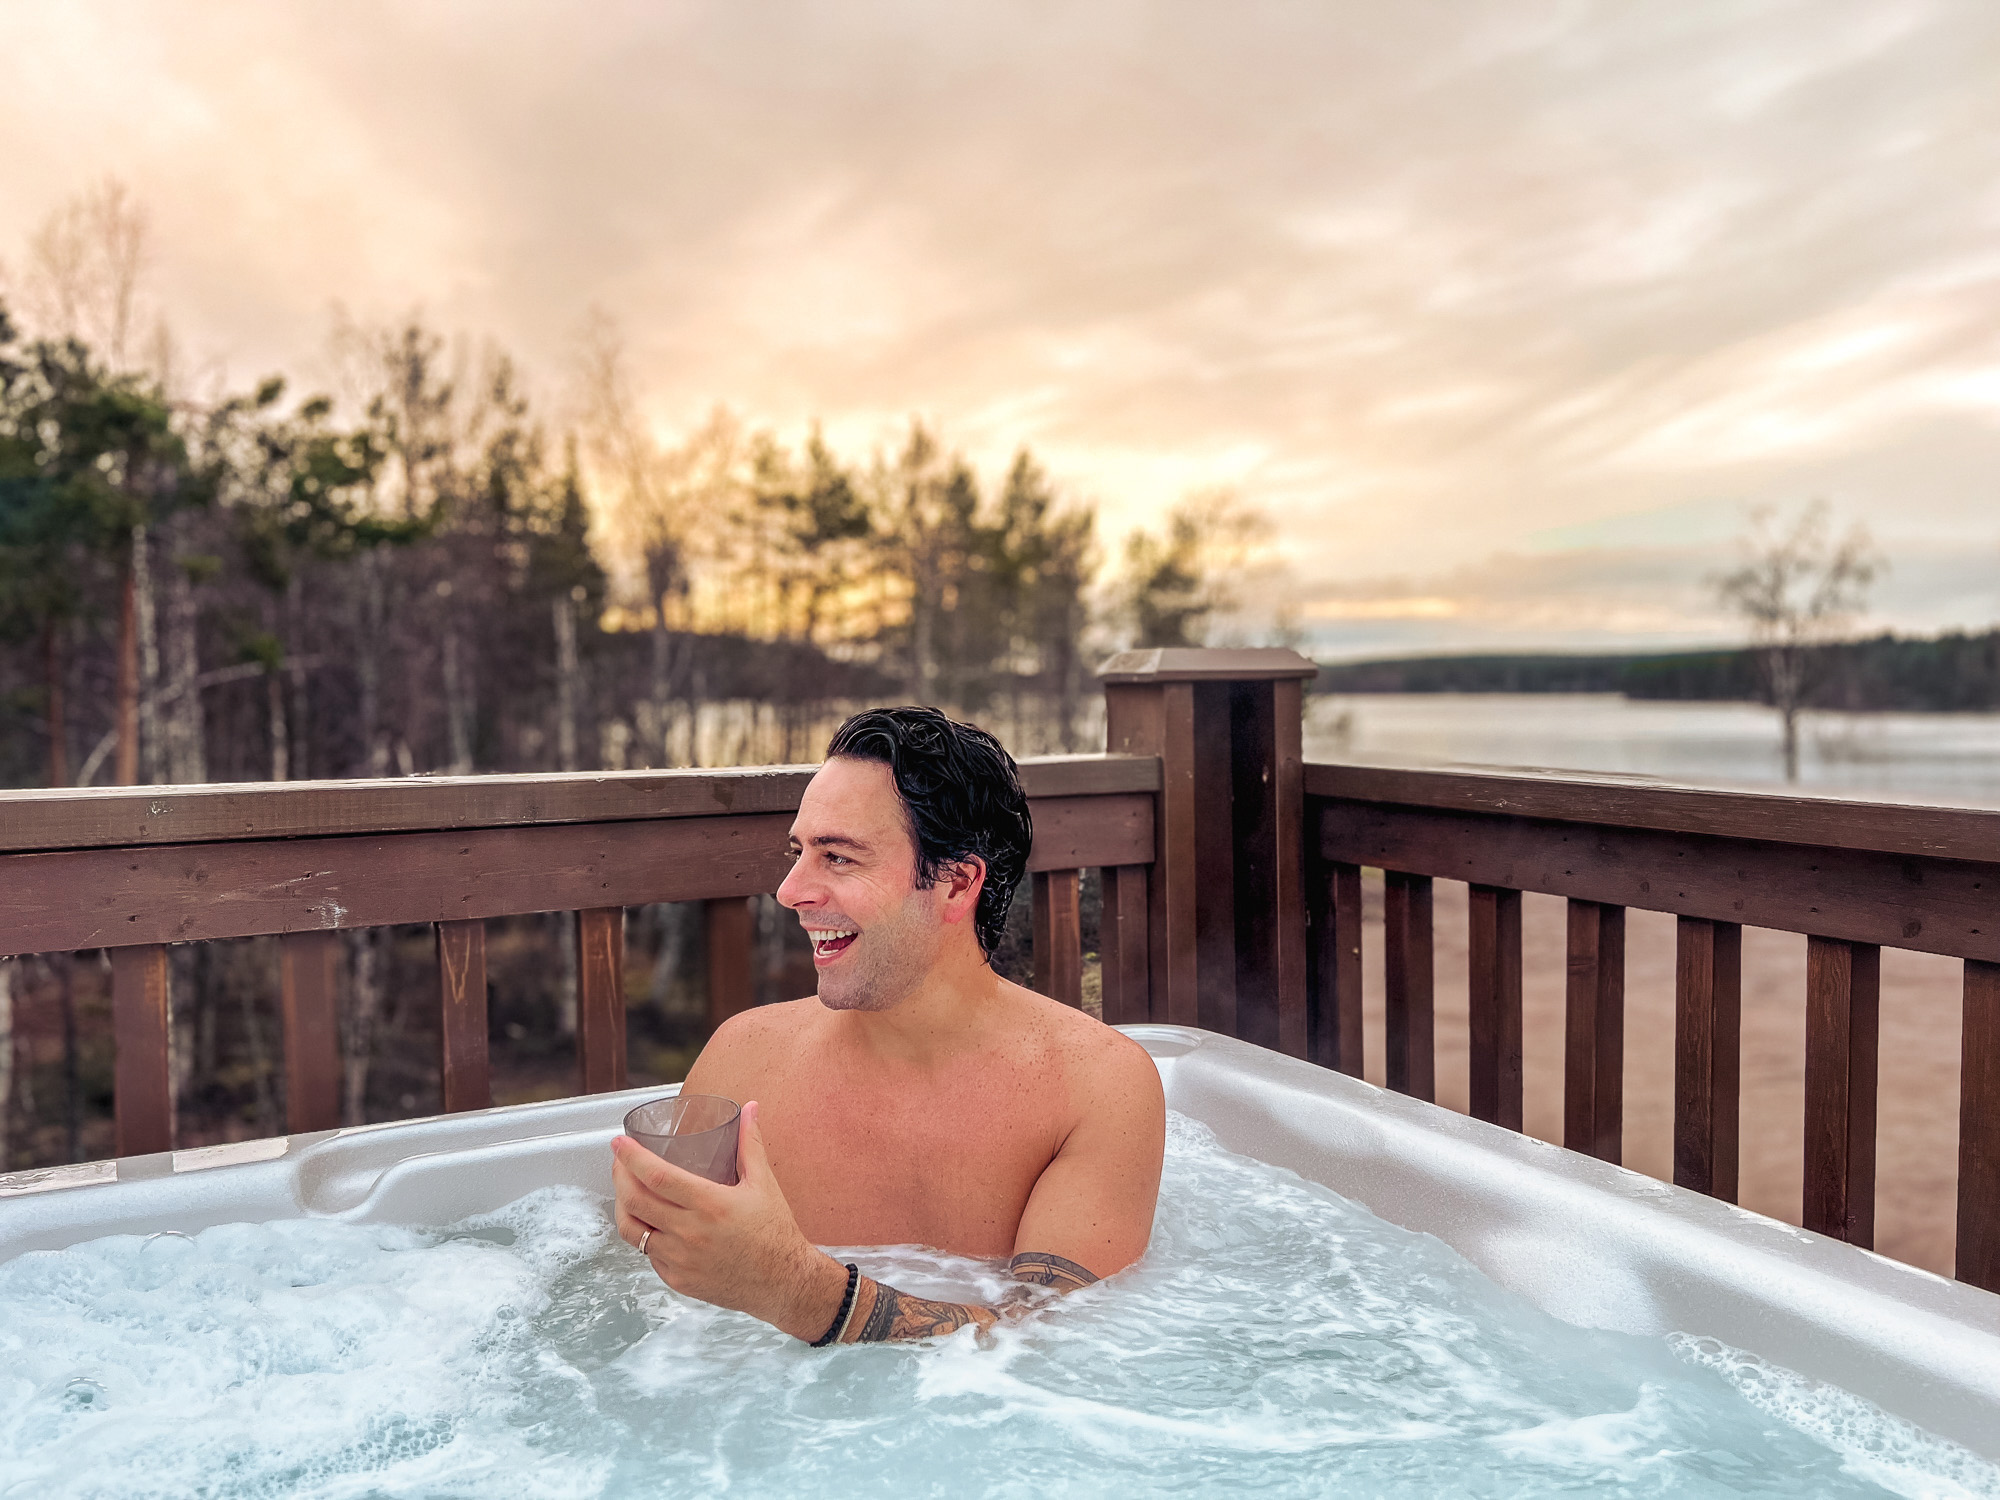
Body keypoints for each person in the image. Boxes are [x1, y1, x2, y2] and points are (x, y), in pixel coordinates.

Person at [610, 706, 1166, 1344]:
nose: (790, 891)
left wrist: (795, 1291)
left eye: (838, 858)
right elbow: (657, 1310)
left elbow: (1048, 1346)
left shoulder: (1096, 1085)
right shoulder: (743, 1057)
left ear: (957, 884)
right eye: (799, 853)